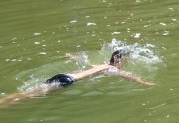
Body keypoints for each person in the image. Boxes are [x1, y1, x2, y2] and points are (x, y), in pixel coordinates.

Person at [0, 49, 153, 108]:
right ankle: (4, 104)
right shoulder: (111, 68)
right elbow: (128, 76)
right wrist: (144, 82)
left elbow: (84, 62)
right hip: (67, 81)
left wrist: (71, 56)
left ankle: (4, 101)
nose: (126, 64)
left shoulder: (101, 65)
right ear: (119, 60)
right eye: (126, 61)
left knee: (30, 92)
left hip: (64, 76)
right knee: (31, 96)